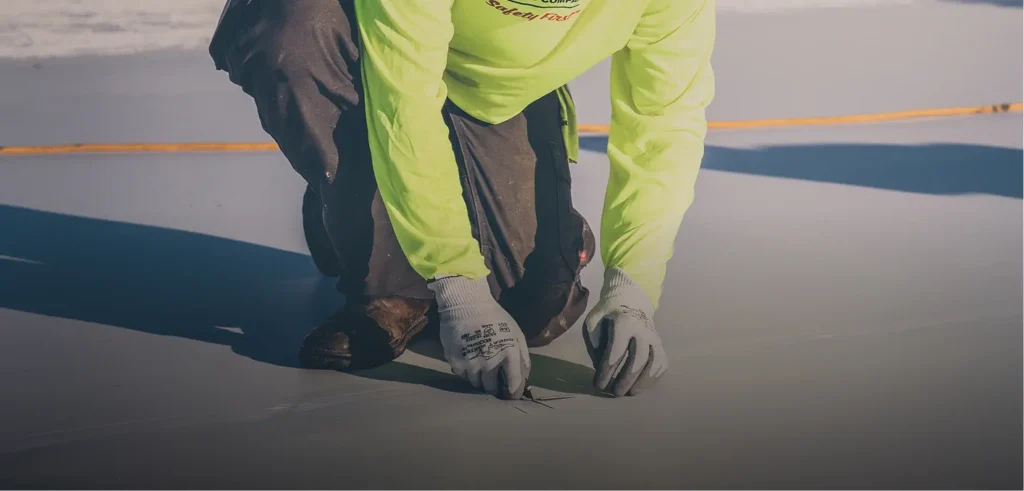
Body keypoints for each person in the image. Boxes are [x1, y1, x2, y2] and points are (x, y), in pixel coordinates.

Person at [209, 0, 715, 400]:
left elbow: (664, 126)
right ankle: (370, 239)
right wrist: (457, 285)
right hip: (362, 39)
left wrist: (633, 285)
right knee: (295, 29)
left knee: (538, 311)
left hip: (496, 83)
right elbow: (403, 104)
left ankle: (362, 207)